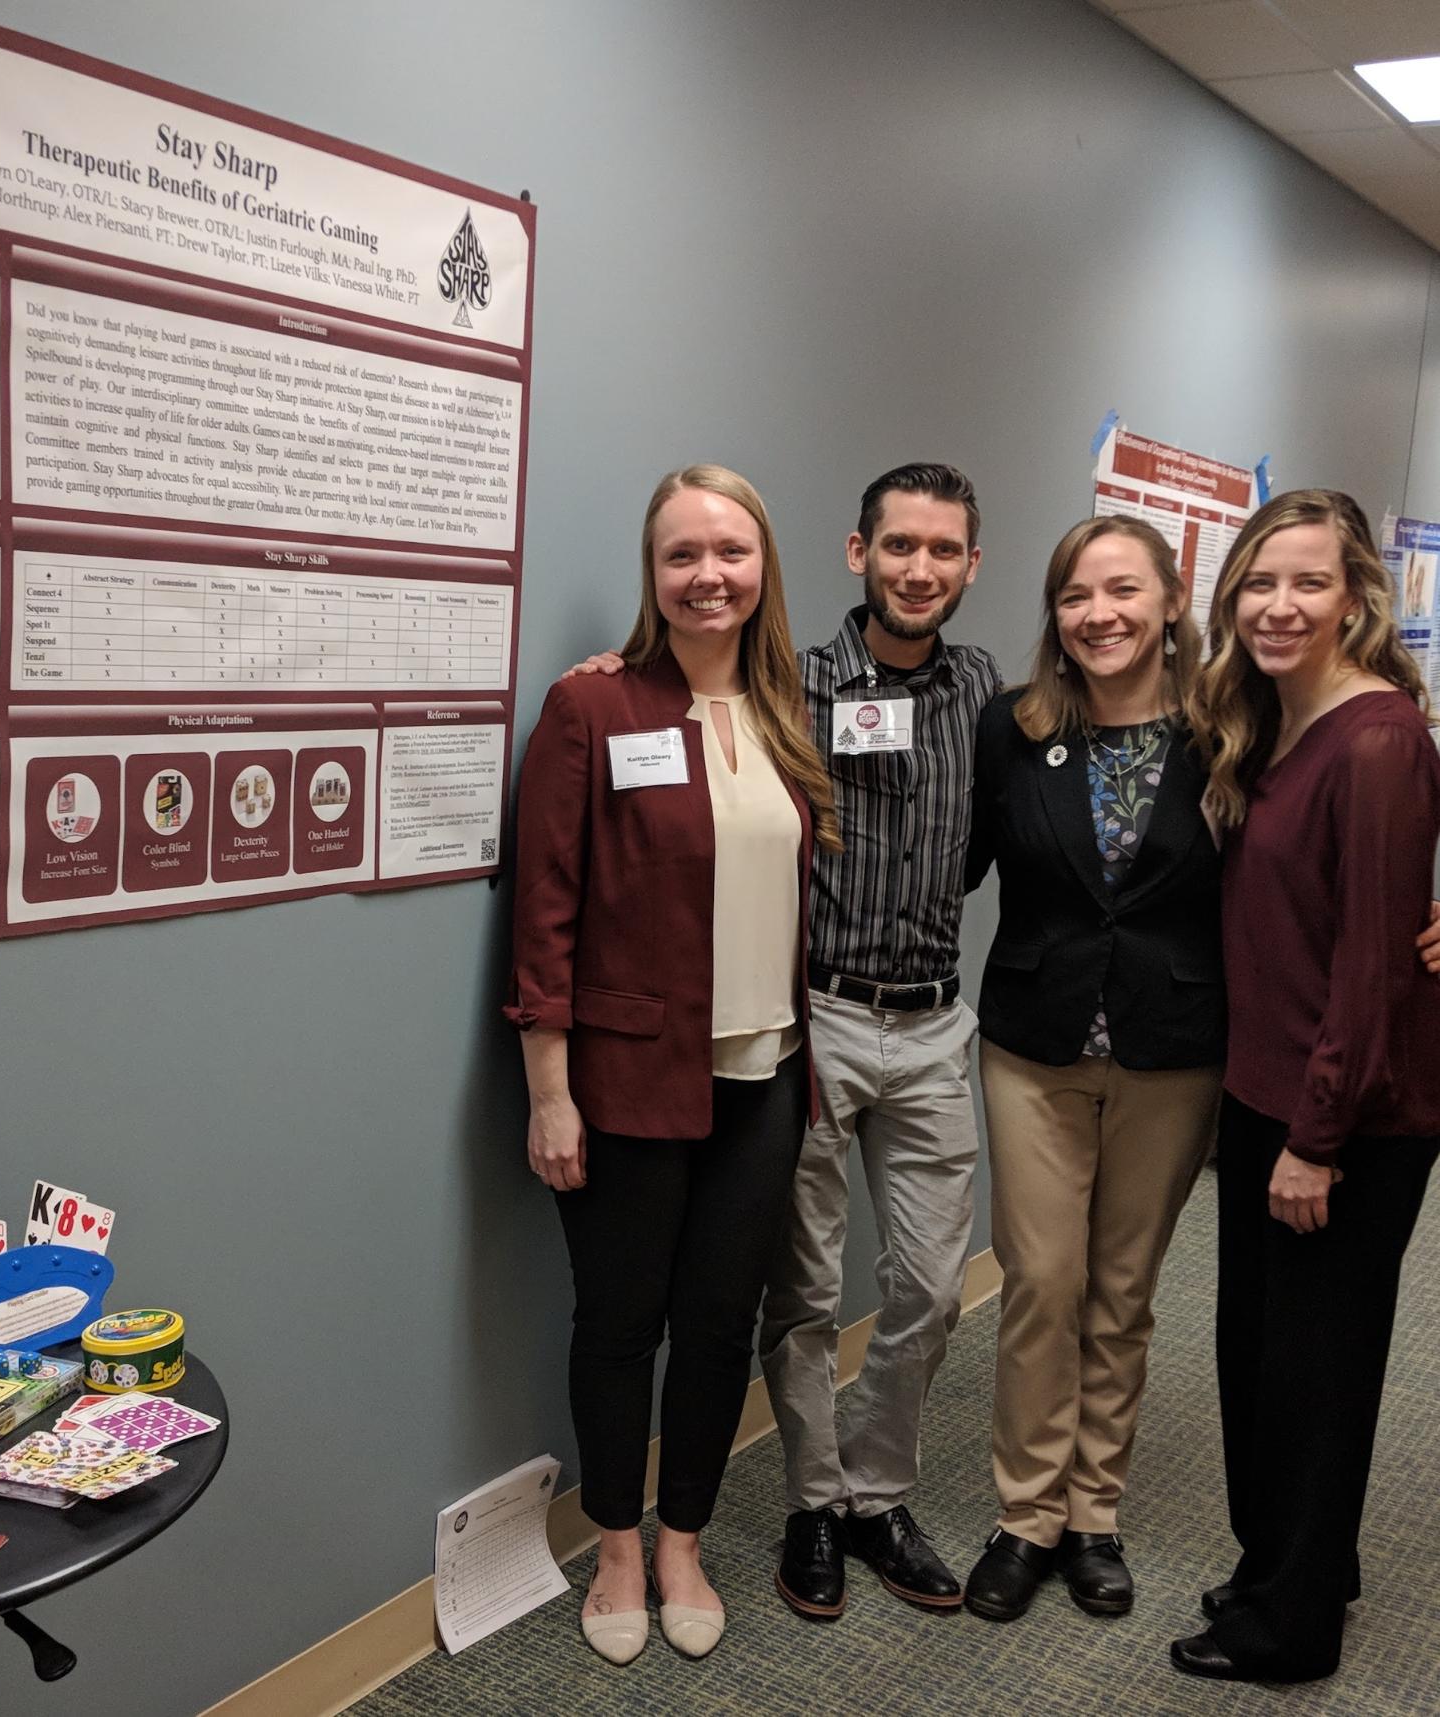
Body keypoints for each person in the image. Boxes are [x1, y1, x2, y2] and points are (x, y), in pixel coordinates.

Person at [567, 464, 1003, 1620]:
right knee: (779, 1295)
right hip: (782, 1028)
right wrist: (617, 668)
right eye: (897, 545)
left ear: (971, 565)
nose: (919, 568)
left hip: (876, 1034)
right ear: (855, 552)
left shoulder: (972, 694)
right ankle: (796, 1507)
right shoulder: (772, 689)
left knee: (912, 1288)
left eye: (943, 550)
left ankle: (854, 1501)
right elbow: (567, 888)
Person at [505, 464, 836, 1664]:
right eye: (682, 555)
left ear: (764, 570)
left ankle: (684, 1535)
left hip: (765, 1080)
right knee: (618, 1324)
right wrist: (551, 1089)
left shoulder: (786, 708)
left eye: (731, 553)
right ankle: (612, 1545)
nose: (709, 576)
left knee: (717, 1323)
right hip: (626, 1081)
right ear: (654, 574)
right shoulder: (594, 708)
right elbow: (543, 912)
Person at [1169, 489, 1440, 1683]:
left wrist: (1317, 1140)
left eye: (1308, 582)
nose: (1279, 605)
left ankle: (1291, 1629)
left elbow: (1375, 965)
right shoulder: (1272, 717)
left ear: (1355, 598)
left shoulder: (1377, 736)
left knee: (1313, 1373)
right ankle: (1296, 1561)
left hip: (1348, 1114)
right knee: (1261, 1354)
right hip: (1269, 1088)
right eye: (1258, 583)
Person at [959, 517, 1224, 1623]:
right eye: (1076, 594)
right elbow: (947, 851)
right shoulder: (1014, 729)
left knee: (1121, 1293)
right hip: (1034, 1045)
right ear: (1054, 615)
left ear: (1171, 600)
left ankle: (1091, 1513)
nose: (1099, 613)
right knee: (1040, 1284)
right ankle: (1025, 1514)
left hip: (1172, 1049)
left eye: (1123, 590)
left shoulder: (1230, 733)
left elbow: (1307, 860)